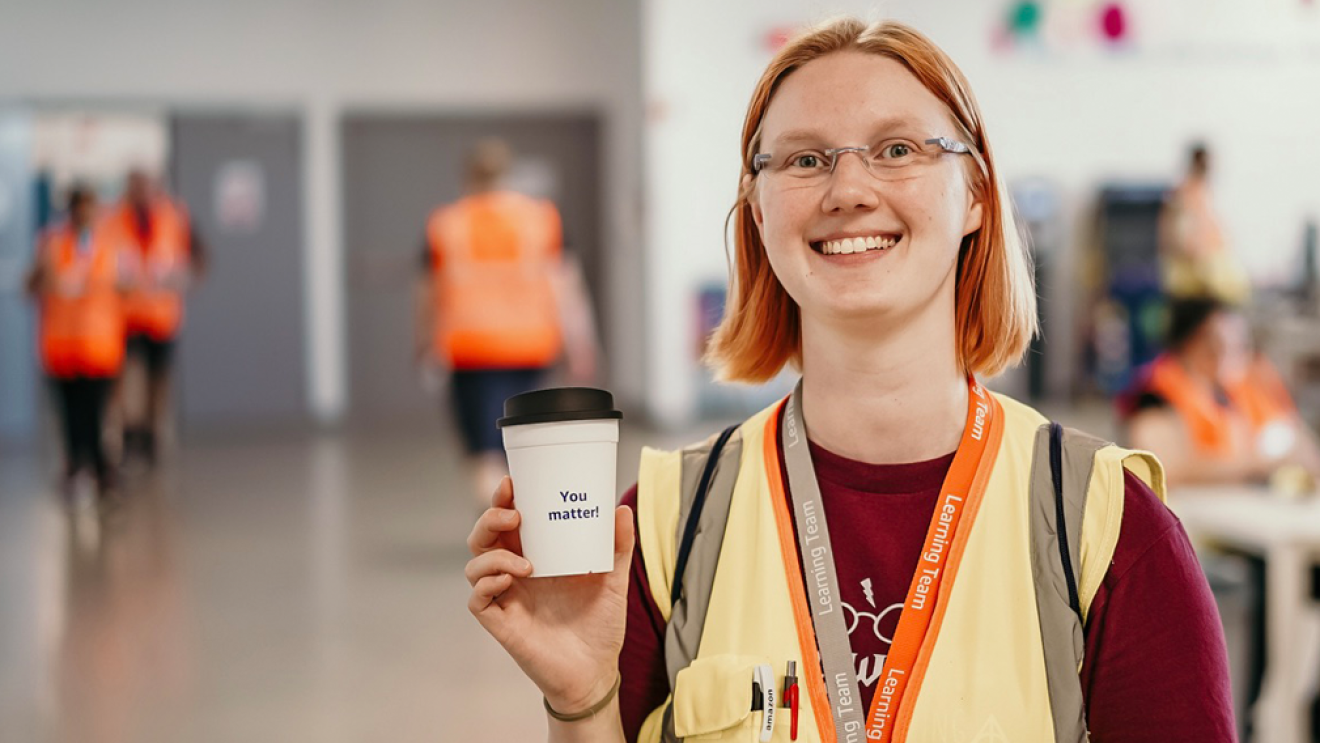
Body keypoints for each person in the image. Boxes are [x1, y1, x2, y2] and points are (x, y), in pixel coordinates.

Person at [466, 19, 1234, 742]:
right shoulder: (657, 530)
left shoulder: (1108, 528)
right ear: (760, 216)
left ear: (974, 194)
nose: (849, 189)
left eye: (897, 149)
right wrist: (580, 700)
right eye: (804, 159)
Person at [1119, 296, 1320, 741]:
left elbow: (1298, 444)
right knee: (1265, 582)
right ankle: (1256, 716)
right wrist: (1255, 462)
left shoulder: (1245, 387)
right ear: (1190, 343)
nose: (1229, 353)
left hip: (1263, 524)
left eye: (1236, 343)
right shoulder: (1158, 393)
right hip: (1197, 537)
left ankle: (1290, 709)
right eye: (1218, 342)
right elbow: (1165, 462)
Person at [416, 139, 597, 506]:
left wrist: (424, 344)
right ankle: (524, 520)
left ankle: (503, 526)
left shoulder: (446, 224)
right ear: (510, 175)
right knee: (521, 441)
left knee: (484, 451)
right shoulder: (542, 219)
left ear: (467, 177)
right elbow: (567, 287)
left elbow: (427, 295)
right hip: (531, 347)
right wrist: (582, 345)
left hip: (471, 351)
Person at [25, 184, 126, 500]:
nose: (85, 213)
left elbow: (126, 286)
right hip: (62, 345)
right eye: (80, 207)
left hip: (99, 344)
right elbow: (31, 285)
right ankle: (75, 467)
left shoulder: (111, 243)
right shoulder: (51, 244)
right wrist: (43, 275)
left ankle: (100, 468)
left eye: (90, 207)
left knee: (97, 412)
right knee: (70, 415)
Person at [106, 169, 206, 467]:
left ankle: (151, 434)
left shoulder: (175, 216)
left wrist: (186, 279)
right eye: (134, 185)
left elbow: (198, 258)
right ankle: (128, 432)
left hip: (162, 314)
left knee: (158, 378)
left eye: (145, 185)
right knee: (123, 378)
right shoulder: (111, 219)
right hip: (124, 314)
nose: (140, 191)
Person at [1159, 143, 1250, 303]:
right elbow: (1177, 233)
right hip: (1195, 269)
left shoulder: (1203, 191)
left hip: (1209, 264)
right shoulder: (1184, 193)